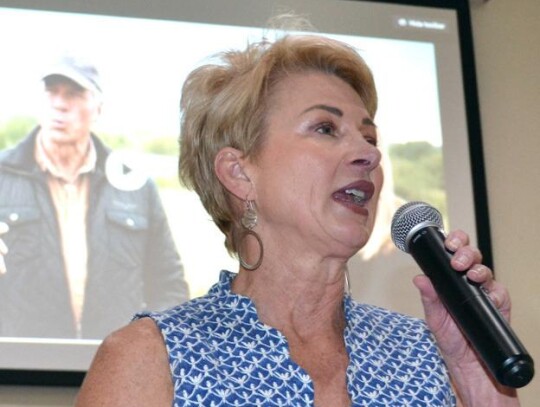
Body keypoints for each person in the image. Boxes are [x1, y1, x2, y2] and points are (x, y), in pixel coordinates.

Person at [76, 35, 520, 406]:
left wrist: (474, 375)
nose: (370, 153)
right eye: (325, 128)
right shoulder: (151, 357)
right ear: (239, 172)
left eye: (369, 136)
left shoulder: (420, 352)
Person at [0, 54, 189, 339]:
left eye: (74, 94)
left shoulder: (134, 184)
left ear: (98, 108)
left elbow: (169, 286)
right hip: (17, 373)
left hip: (116, 373)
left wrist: (149, 352)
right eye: (51, 92)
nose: (59, 104)